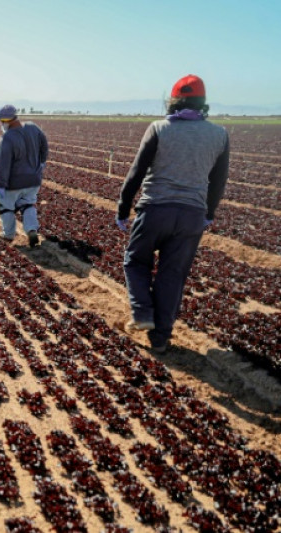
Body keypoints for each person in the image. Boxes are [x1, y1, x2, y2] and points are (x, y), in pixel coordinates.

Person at [116, 74, 230, 354]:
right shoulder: (220, 134)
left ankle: (142, 313)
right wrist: (209, 213)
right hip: (192, 214)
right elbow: (218, 181)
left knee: (135, 261)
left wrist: (123, 209)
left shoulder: (159, 128)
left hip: (155, 208)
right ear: (202, 103)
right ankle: (160, 338)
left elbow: (136, 173)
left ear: (173, 101)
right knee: (172, 275)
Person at [0, 104, 49, 247]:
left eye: (1, 122)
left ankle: (8, 235)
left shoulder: (7, 138)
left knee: (6, 207)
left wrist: (1, 185)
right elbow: (44, 144)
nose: (1, 124)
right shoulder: (33, 127)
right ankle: (31, 229)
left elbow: (3, 164)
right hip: (33, 179)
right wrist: (42, 161)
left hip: (14, 182)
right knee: (28, 204)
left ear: (7, 121)